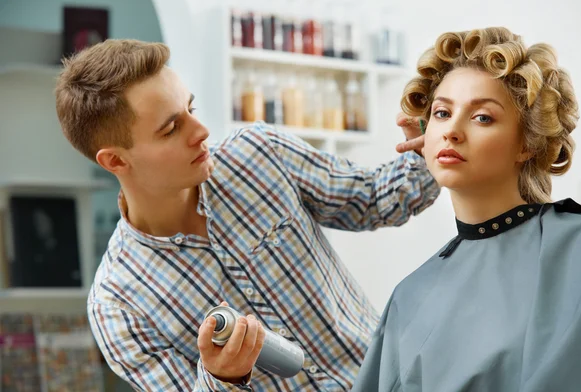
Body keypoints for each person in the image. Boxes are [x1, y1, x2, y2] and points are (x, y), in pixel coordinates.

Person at [54, 39, 440, 391]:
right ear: (116, 160)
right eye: (172, 128)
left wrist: (430, 145)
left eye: (191, 109)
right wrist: (223, 379)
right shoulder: (118, 305)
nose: (201, 131)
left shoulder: (258, 153)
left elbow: (375, 198)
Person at [351, 27, 581, 392]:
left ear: (526, 144)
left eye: (482, 117)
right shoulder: (409, 295)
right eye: (441, 113)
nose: (452, 130)